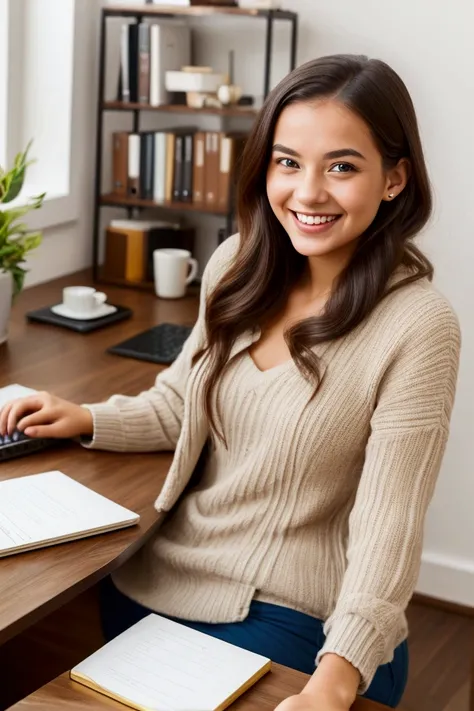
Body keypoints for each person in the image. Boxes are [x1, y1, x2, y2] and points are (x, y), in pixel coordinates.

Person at [0, 54, 460, 710]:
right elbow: (184, 402)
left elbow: (391, 523)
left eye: (342, 165)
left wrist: (333, 683)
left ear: (394, 179)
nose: (307, 193)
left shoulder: (420, 324)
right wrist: (87, 417)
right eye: (287, 161)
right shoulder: (236, 264)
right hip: (155, 581)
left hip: (304, 621)